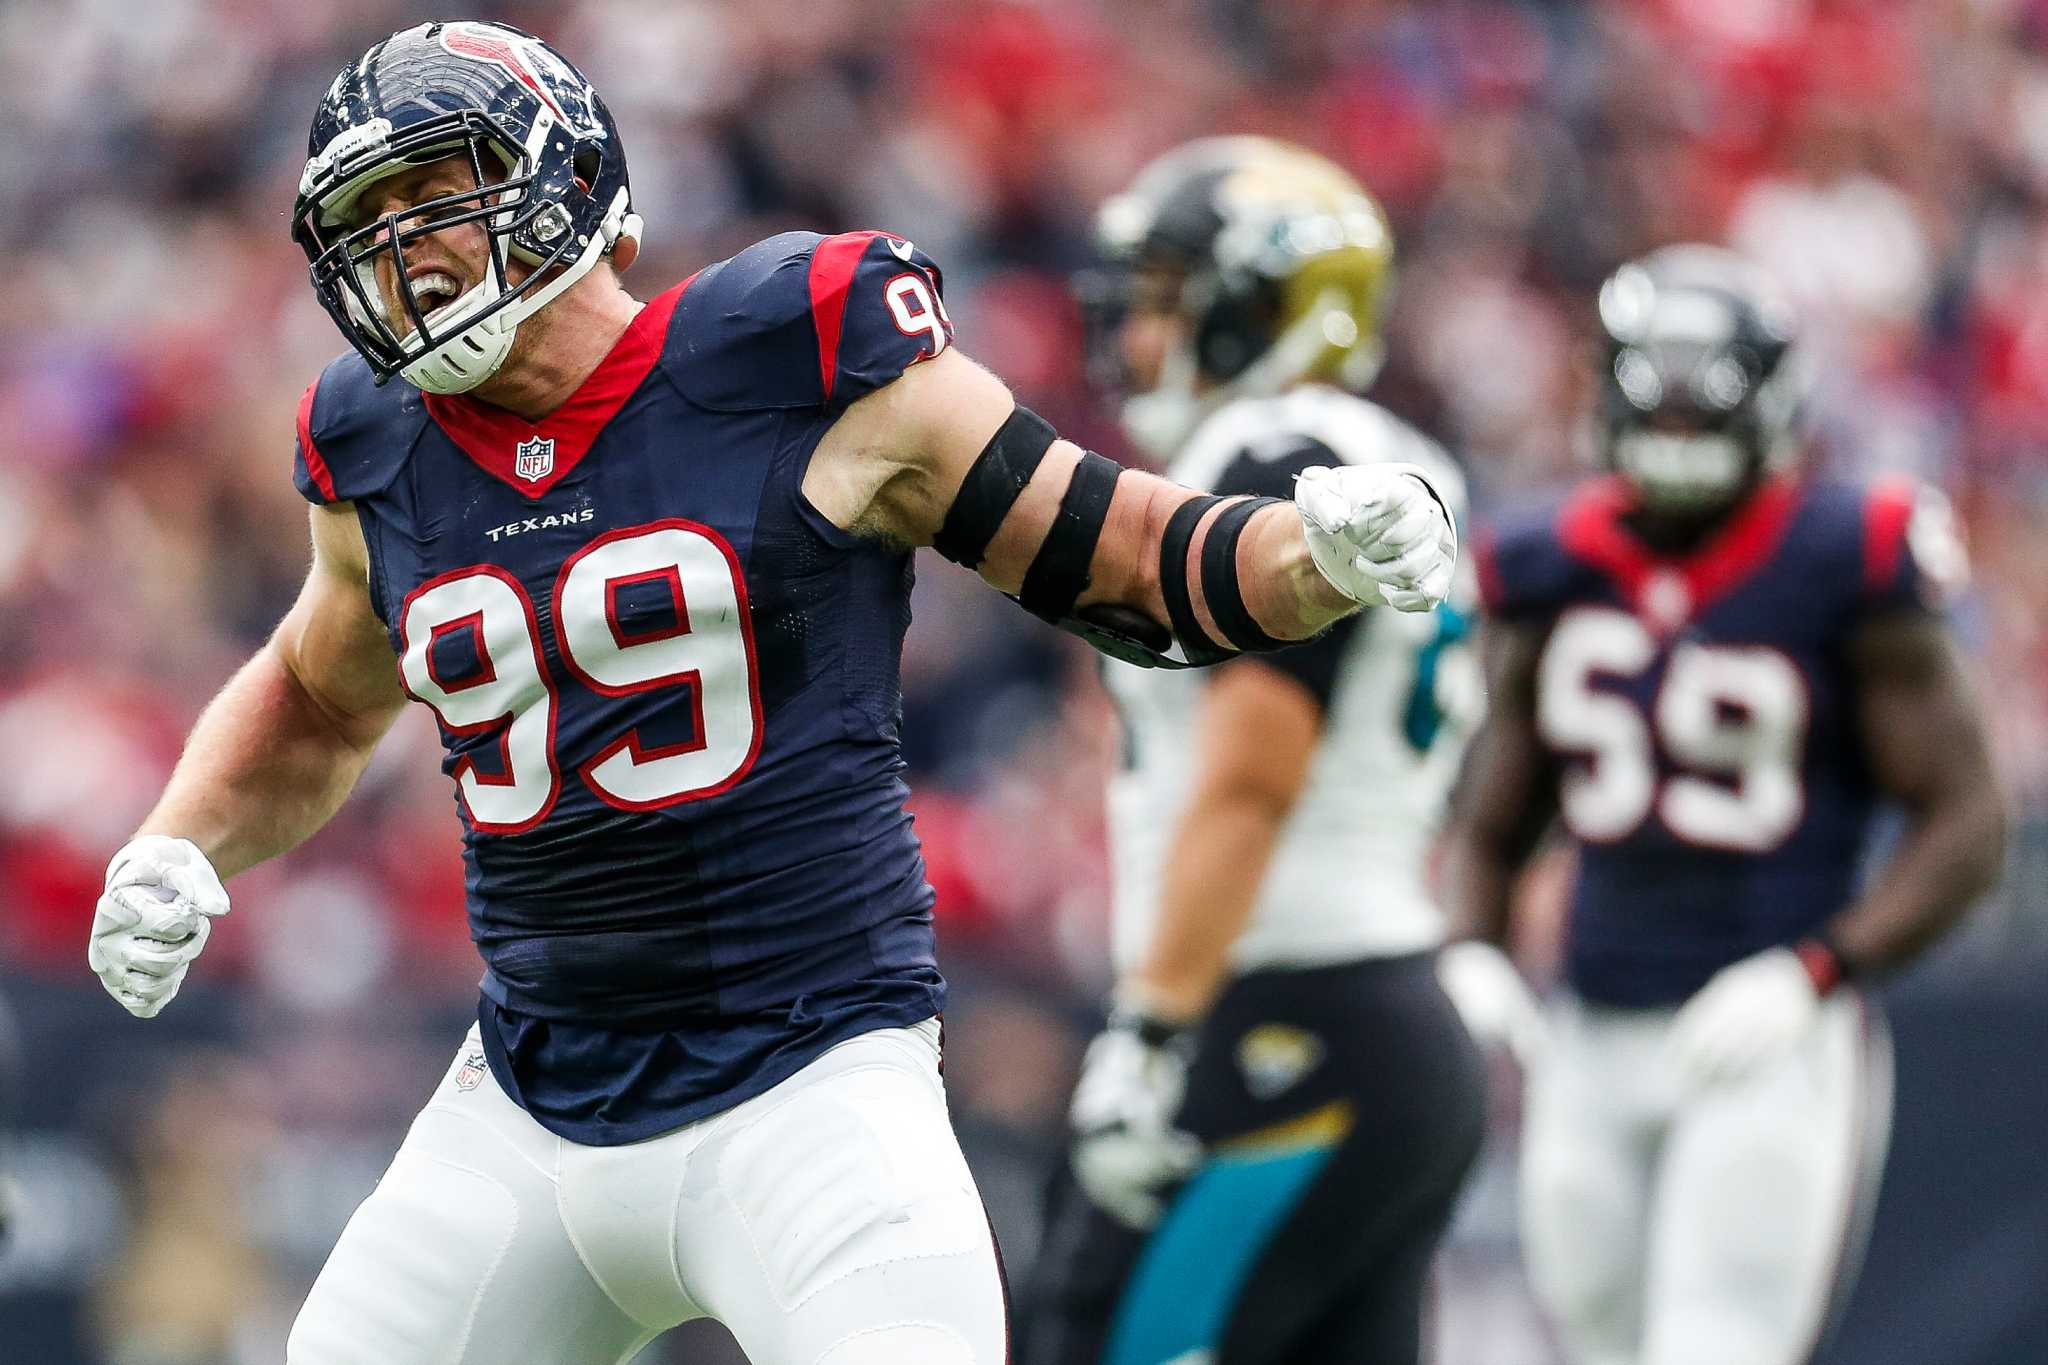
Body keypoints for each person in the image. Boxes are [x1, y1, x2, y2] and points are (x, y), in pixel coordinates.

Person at [80, 22, 1459, 1365]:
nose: (402, 250)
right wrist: (178, 840)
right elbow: (319, 699)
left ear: (567, 177)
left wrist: (1308, 552)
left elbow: (1128, 557)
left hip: (811, 1086)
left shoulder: (792, 351)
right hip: (526, 1102)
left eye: (434, 194)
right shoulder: (373, 447)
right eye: (367, 217)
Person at [1441, 245, 2008, 1365]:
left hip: (1766, 1034)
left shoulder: (1845, 558)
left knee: (1716, 1348)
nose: (1680, 446)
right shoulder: (1547, 562)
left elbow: (1967, 821)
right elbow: (1494, 816)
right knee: (1595, 1349)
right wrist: (1476, 952)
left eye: (1708, 418)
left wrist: (1814, 969)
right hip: (1590, 1031)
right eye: (1661, 415)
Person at [1019, 138, 1489, 1365]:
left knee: (1100, 1337)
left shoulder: (1283, 459)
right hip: (1372, 1015)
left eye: (1167, 299)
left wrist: (1152, 1029)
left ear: (1260, 308)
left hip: (1284, 1016)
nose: (1133, 335)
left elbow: (1253, 771)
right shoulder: (1367, 452)